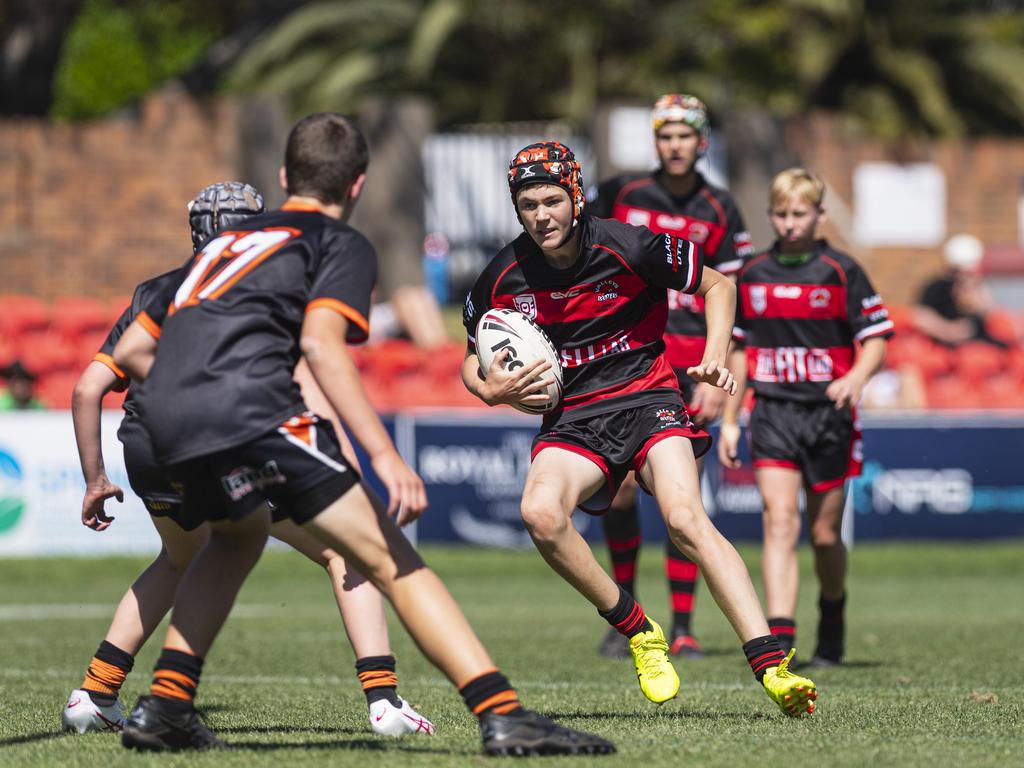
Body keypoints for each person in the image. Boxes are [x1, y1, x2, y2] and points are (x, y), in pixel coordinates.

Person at [112, 115, 613, 755]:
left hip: (165, 422)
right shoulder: (337, 243)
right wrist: (383, 455)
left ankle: (167, 708)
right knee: (391, 558)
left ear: (287, 176)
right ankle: (502, 713)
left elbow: (133, 348)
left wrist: (193, 397)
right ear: (358, 185)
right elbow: (322, 347)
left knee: (237, 539)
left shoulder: (221, 246)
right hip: (254, 416)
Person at [62, 181, 434, 739]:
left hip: (145, 448)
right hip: (225, 445)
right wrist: (349, 460)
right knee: (344, 551)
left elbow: (88, 389)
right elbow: (306, 377)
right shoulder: (262, 289)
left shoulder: (154, 291)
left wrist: (95, 480)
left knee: (179, 558)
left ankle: (95, 692)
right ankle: (384, 702)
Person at [461, 140, 816, 716]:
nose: (541, 216)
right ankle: (639, 629)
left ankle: (772, 667)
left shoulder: (627, 244)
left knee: (684, 518)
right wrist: (488, 388)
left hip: (647, 395)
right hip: (573, 416)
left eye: (552, 200)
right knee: (540, 515)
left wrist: (716, 354)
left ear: (576, 196)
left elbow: (719, 285)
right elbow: (471, 357)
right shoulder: (503, 274)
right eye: (527, 205)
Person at [589, 93, 755, 658]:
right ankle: (628, 614)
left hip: (693, 365)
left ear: (701, 141)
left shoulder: (722, 208)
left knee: (684, 502)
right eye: (665, 136)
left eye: (685, 135)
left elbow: (734, 298)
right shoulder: (622, 194)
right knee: (619, 494)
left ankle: (683, 628)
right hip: (631, 356)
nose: (674, 145)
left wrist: (716, 373)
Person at [718, 168, 894, 667]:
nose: (790, 223)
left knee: (822, 535)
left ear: (819, 215)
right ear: (770, 216)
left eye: (800, 214)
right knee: (779, 520)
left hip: (828, 415)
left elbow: (876, 338)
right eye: (781, 214)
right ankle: (780, 641)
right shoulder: (751, 275)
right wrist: (731, 418)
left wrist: (857, 377)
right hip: (772, 412)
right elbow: (740, 352)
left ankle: (832, 616)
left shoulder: (841, 271)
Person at [913, 233, 1007, 348]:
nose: (964, 277)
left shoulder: (978, 287)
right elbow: (922, 317)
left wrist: (975, 297)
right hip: (944, 348)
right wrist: (947, 330)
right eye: (960, 272)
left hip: (977, 346)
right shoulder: (937, 287)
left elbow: (991, 315)